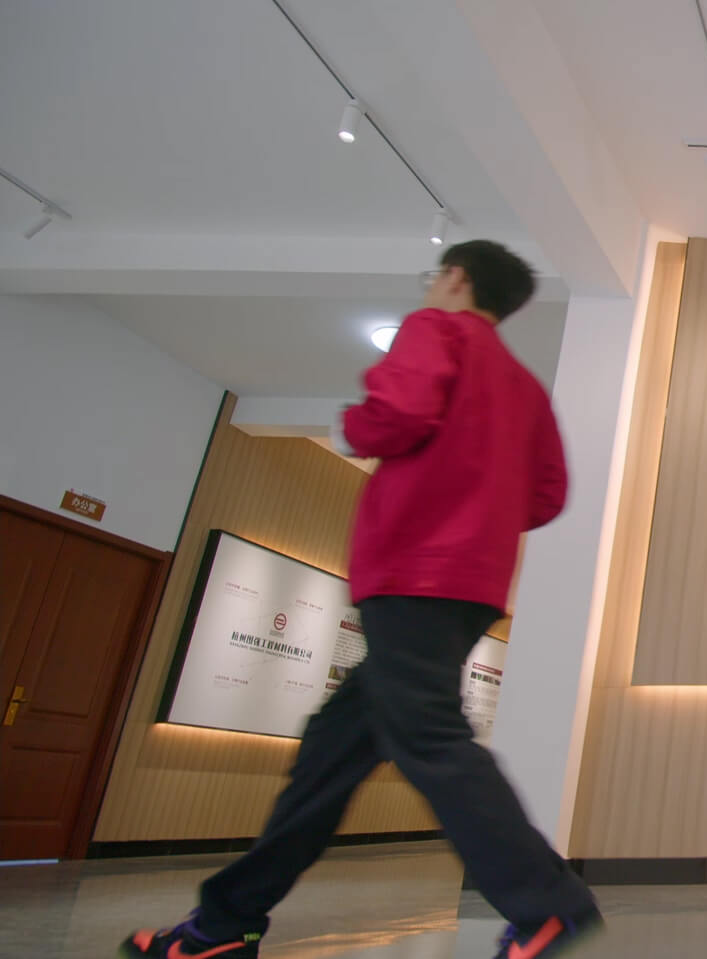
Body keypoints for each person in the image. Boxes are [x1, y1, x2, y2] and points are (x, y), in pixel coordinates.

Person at [122, 241, 602, 959]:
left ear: (457, 278)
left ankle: (550, 906)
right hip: (469, 584)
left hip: (411, 571)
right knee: (330, 754)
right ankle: (222, 926)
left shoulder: (436, 329)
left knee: (430, 739)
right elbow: (548, 493)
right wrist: (480, 511)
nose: (433, 286)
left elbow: (398, 413)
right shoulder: (525, 387)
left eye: (438, 275)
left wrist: (354, 427)